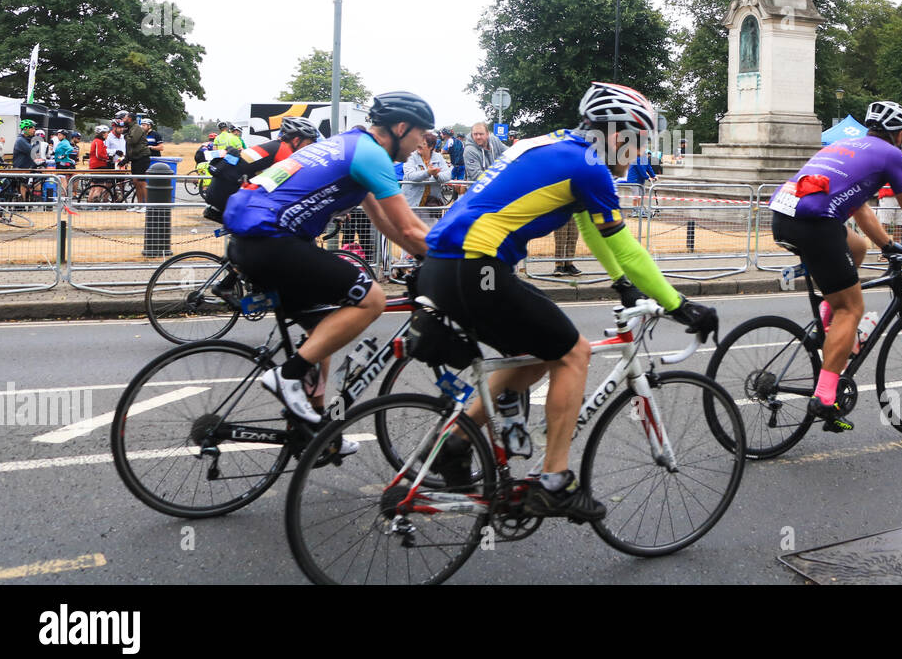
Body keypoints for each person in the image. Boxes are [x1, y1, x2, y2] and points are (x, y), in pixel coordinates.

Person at [417, 81, 717, 521]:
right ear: (618, 135)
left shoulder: (561, 147)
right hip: (475, 266)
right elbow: (630, 248)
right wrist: (678, 304)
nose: (636, 156)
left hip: (446, 264)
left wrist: (621, 283)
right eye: (637, 145)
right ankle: (554, 481)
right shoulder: (592, 165)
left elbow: (592, 227)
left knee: (533, 353)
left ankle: (456, 444)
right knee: (573, 353)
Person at [225, 93, 434, 443]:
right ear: (401, 128)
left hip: (251, 241)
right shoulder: (371, 155)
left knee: (322, 330)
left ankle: (314, 430)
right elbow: (411, 229)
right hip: (272, 242)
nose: (420, 144)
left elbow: (386, 222)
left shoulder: (349, 145)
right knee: (372, 300)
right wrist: (453, 260)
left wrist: (424, 255)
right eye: (420, 135)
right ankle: (287, 376)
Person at [768, 100, 902, 431]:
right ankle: (826, 397)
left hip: (783, 215)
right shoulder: (892, 155)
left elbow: (861, 211)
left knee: (856, 246)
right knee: (852, 309)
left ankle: (828, 324)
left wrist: (887, 245)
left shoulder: (847, 145)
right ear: (899, 133)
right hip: (816, 223)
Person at [202, 116, 320, 223]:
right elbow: (297, 182)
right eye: (308, 143)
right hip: (227, 195)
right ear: (296, 140)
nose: (309, 147)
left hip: (223, 193)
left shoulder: (275, 145)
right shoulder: (283, 151)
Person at [402, 130, 450, 210]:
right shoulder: (410, 157)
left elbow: (447, 175)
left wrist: (436, 175)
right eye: (418, 142)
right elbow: (410, 176)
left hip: (431, 205)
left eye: (423, 144)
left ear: (431, 147)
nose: (419, 145)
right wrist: (427, 172)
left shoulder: (438, 157)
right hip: (412, 204)